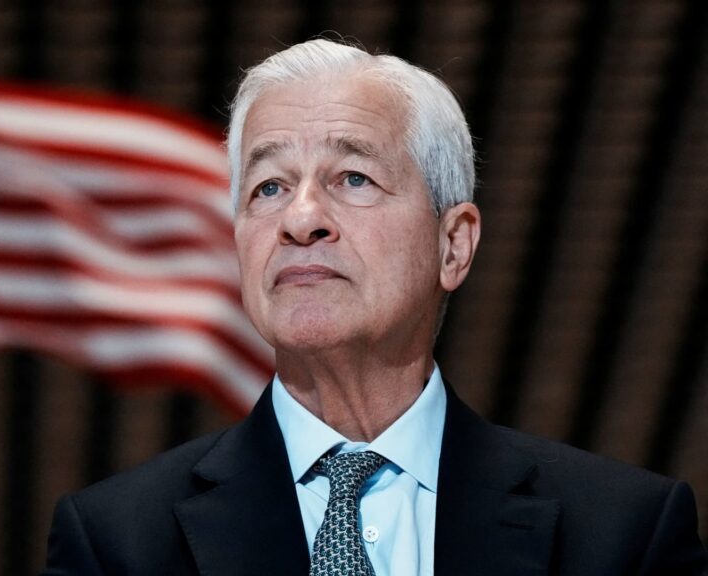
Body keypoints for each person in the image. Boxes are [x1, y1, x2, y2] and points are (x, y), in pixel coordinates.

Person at [42, 38, 707, 575]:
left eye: (353, 177)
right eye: (269, 187)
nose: (300, 219)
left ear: (453, 244)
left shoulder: (624, 534)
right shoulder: (115, 543)